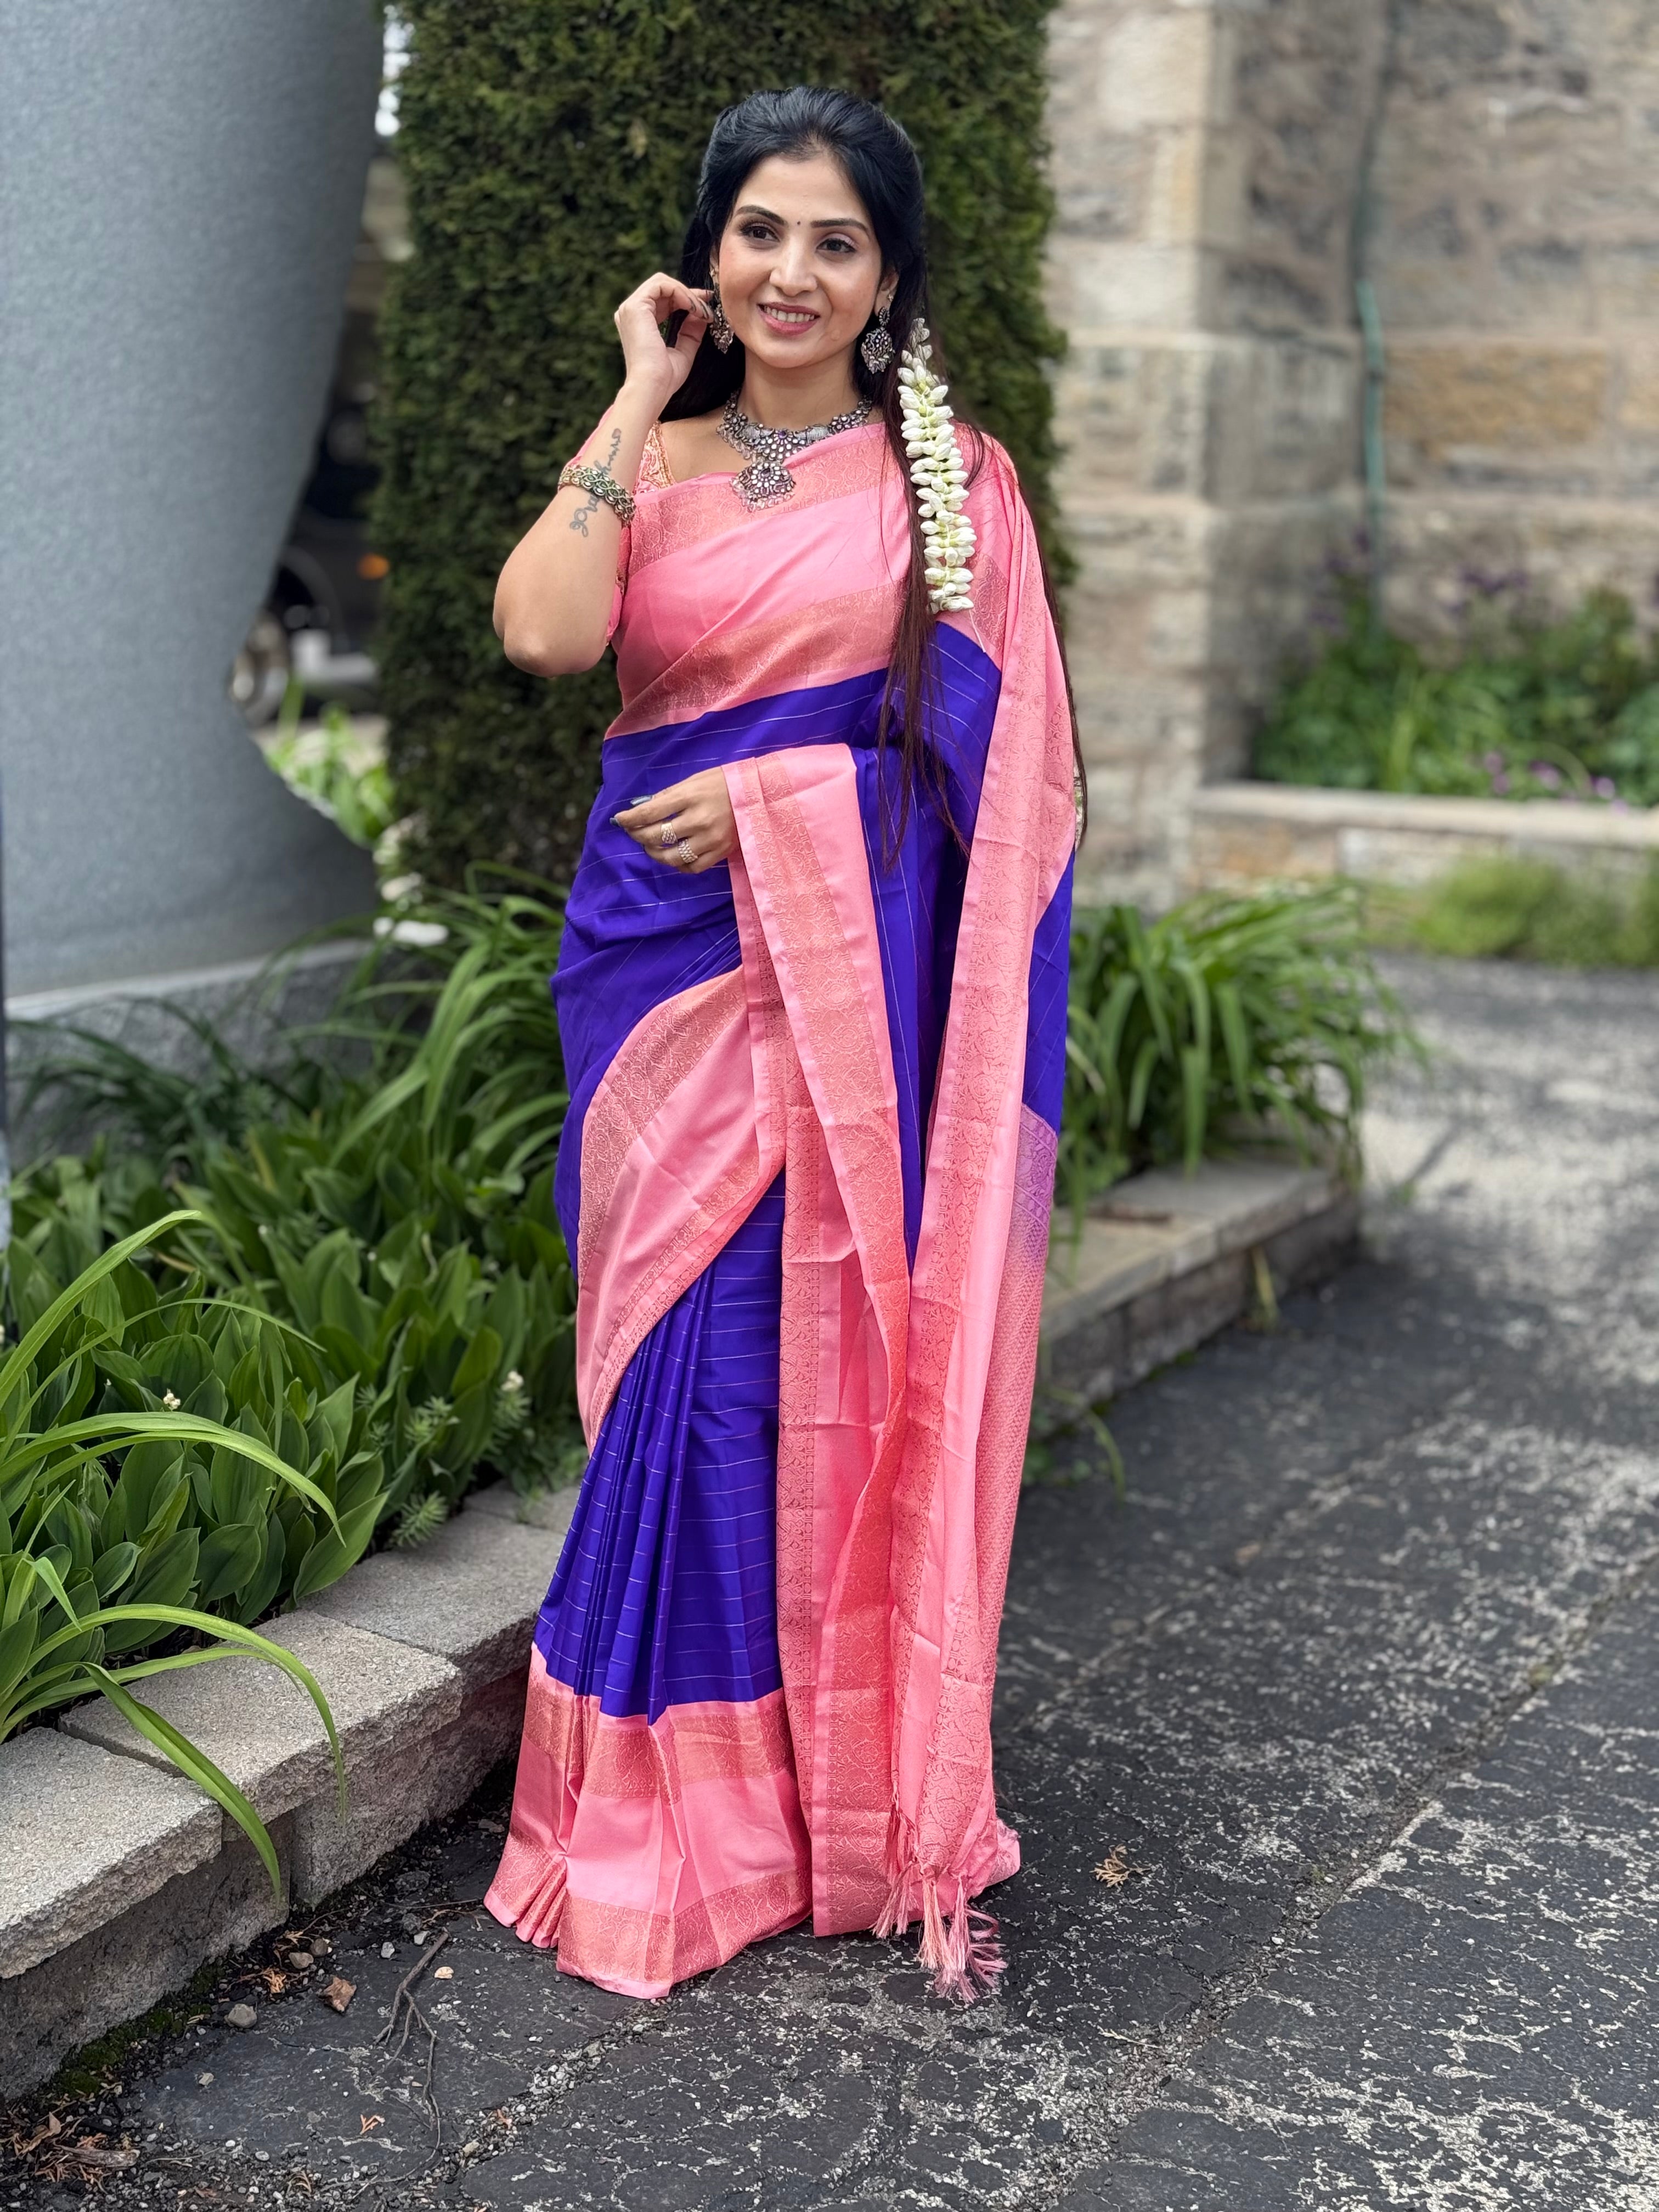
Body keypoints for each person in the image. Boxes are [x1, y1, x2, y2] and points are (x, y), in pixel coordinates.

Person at [484, 84, 1079, 2005]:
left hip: (830, 964)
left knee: (768, 1368)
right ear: (708, 253)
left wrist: (780, 802)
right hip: (652, 968)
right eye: (759, 231)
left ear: (889, 278)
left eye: (837, 241)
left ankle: (788, 1809)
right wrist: (632, 392)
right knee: (666, 1357)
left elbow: (1003, 777)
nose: (791, 272)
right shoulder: (651, 453)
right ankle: (663, 1800)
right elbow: (542, 639)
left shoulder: (951, 484)